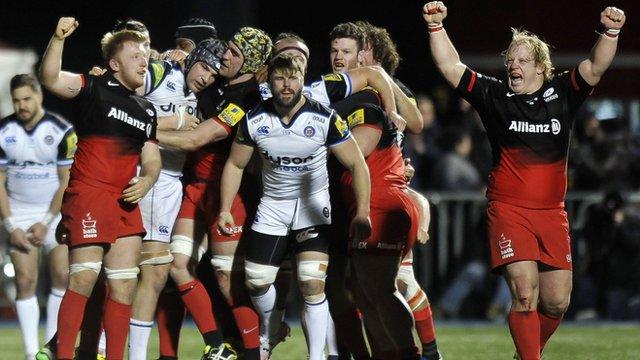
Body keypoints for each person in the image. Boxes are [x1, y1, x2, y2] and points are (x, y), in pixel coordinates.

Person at [423, 2, 626, 359]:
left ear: (540, 68)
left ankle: (525, 353)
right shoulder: (494, 96)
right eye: (510, 61)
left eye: (521, 61)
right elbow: (449, 66)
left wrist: (611, 31)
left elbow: (596, 65)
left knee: (557, 302)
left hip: (552, 213)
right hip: (509, 209)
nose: (512, 66)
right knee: (524, 292)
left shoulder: (563, 93)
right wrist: (436, 26)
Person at [217, 53, 372, 360]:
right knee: (257, 282)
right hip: (272, 207)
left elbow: (357, 163)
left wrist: (363, 212)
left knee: (311, 283)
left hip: (312, 209)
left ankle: (316, 355)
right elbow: (235, 164)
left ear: (303, 79)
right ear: (270, 82)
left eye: (293, 78)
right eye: (279, 78)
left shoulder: (324, 118)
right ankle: (272, 324)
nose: (286, 86)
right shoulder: (254, 120)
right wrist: (224, 208)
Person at [39, 17, 161, 360]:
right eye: (136, 55)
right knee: (84, 279)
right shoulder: (94, 87)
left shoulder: (146, 110)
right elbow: (49, 78)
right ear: (114, 63)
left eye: (146, 55)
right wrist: (58, 37)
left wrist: (148, 179)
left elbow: (151, 158)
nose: (144, 60)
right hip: (90, 192)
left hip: (124, 200)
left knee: (124, 285)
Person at [156, 27, 274, 360]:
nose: (225, 55)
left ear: (249, 63)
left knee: (227, 281)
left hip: (228, 195)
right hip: (194, 188)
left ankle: (253, 352)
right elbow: (189, 64)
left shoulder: (246, 98)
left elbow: (197, 139)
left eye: (235, 52)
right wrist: (167, 55)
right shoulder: (218, 83)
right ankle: (211, 344)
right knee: (174, 266)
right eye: (228, 48)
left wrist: (138, 128)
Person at [128, 38, 227, 360]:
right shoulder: (157, 73)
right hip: (145, 176)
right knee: (144, 271)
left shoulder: (201, 95)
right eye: (205, 68)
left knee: (153, 273)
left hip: (170, 185)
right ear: (193, 57)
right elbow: (119, 109)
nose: (207, 77)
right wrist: (170, 123)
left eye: (214, 74)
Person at [0, 74, 75, 360]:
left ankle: (52, 348)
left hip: (54, 214)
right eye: (16, 100)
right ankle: (32, 354)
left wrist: (46, 222)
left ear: (39, 96)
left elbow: (65, 181)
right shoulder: (4, 131)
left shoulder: (61, 131)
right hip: (18, 213)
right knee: (25, 281)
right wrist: (10, 225)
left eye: (27, 99)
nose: (22, 106)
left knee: (61, 275)